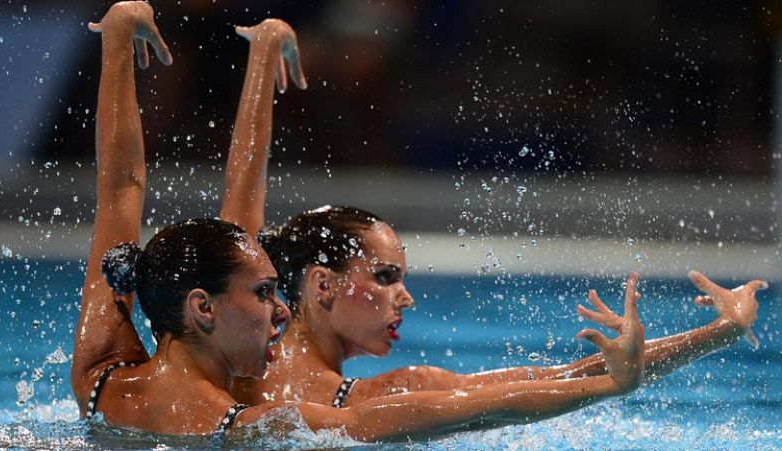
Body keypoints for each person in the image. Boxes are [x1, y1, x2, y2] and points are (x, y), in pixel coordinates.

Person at [71, 2, 647, 439]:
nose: (282, 310)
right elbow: (451, 410)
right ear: (202, 307)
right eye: (267, 292)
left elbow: (120, 188)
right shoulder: (245, 422)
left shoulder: (100, 373)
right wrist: (611, 385)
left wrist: (119, 36)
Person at [222, 18, 768, 409]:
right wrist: (721, 330)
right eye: (386, 277)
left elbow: (238, 210)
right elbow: (561, 379)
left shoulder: (220, 363)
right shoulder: (370, 399)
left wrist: (264, 53)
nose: (405, 297)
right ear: (322, 283)